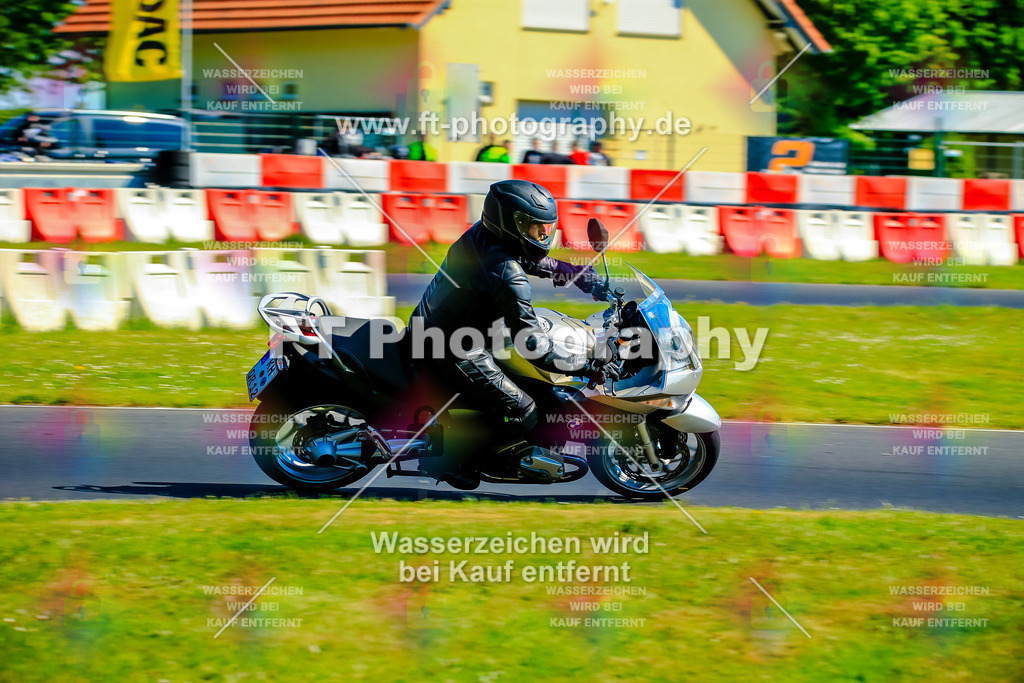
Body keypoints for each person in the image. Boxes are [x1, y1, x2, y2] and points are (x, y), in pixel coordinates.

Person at [410, 179, 611, 487]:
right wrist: (585, 366)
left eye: (546, 228)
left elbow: (530, 259)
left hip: (443, 328)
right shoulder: (506, 273)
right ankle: (457, 461)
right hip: (452, 348)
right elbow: (535, 347)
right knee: (524, 407)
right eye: (534, 228)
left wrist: (578, 275)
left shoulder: (485, 236)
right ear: (510, 224)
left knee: (538, 389)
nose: (543, 235)